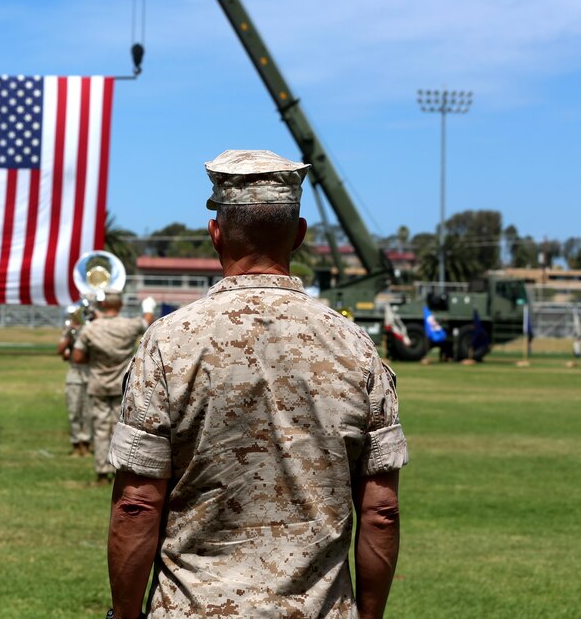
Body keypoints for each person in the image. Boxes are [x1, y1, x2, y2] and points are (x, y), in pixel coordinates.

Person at [106, 150, 408, 618]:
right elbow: (380, 511)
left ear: (216, 234)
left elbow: (136, 506)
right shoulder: (356, 347)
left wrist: (123, 615)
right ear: (300, 235)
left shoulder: (167, 343)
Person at [72, 291, 154, 485]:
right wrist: (149, 307)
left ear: (102, 305)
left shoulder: (91, 329)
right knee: (121, 429)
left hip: (98, 384)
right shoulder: (129, 326)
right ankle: (119, 470)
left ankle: (101, 472)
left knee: (100, 429)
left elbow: (77, 357)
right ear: (120, 305)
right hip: (122, 385)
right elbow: (147, 323)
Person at [58, 309, 93, 457]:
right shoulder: (69, 330)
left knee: (88, 413)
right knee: (74, 412)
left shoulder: (92, 331)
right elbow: (60, 350)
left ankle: (86, 444)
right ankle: (75, 444)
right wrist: (69, 332)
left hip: (90, 375)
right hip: (74, 376)